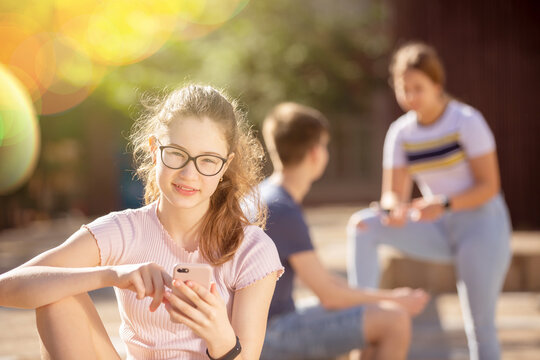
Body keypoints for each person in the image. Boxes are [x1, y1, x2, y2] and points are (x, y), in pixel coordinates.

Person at [0, 84, 284, 359]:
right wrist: (112, 274)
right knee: (58, 297)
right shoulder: (125, 231)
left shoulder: (252, 248)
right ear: (153, 149)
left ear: (225, 165)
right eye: (176, 153)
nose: (189, 174)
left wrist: (219, 335)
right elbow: (6, 287)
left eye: (208, 160)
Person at [347, 42, 512, 360]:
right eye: (403, 89)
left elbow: (489, 186)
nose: (410, 97)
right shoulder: (400, 132)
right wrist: (392, 209)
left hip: (482, 226)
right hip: (436, 226)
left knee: (479, 326)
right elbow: (392, 193)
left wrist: (446, 203)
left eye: (418, 88)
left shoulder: (466, 121)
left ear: (437, 86)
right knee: (363, 226)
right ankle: (362, 319)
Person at [258, 102, 429, 360]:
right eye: (325, 146)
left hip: (263, 324)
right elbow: (329, 296)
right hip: (269, 334)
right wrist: (396, 300)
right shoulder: (282, 209)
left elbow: (323, 280)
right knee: (394, 320)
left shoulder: (265, 195)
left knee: (372, 316)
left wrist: (376, 300)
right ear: (315, 153)